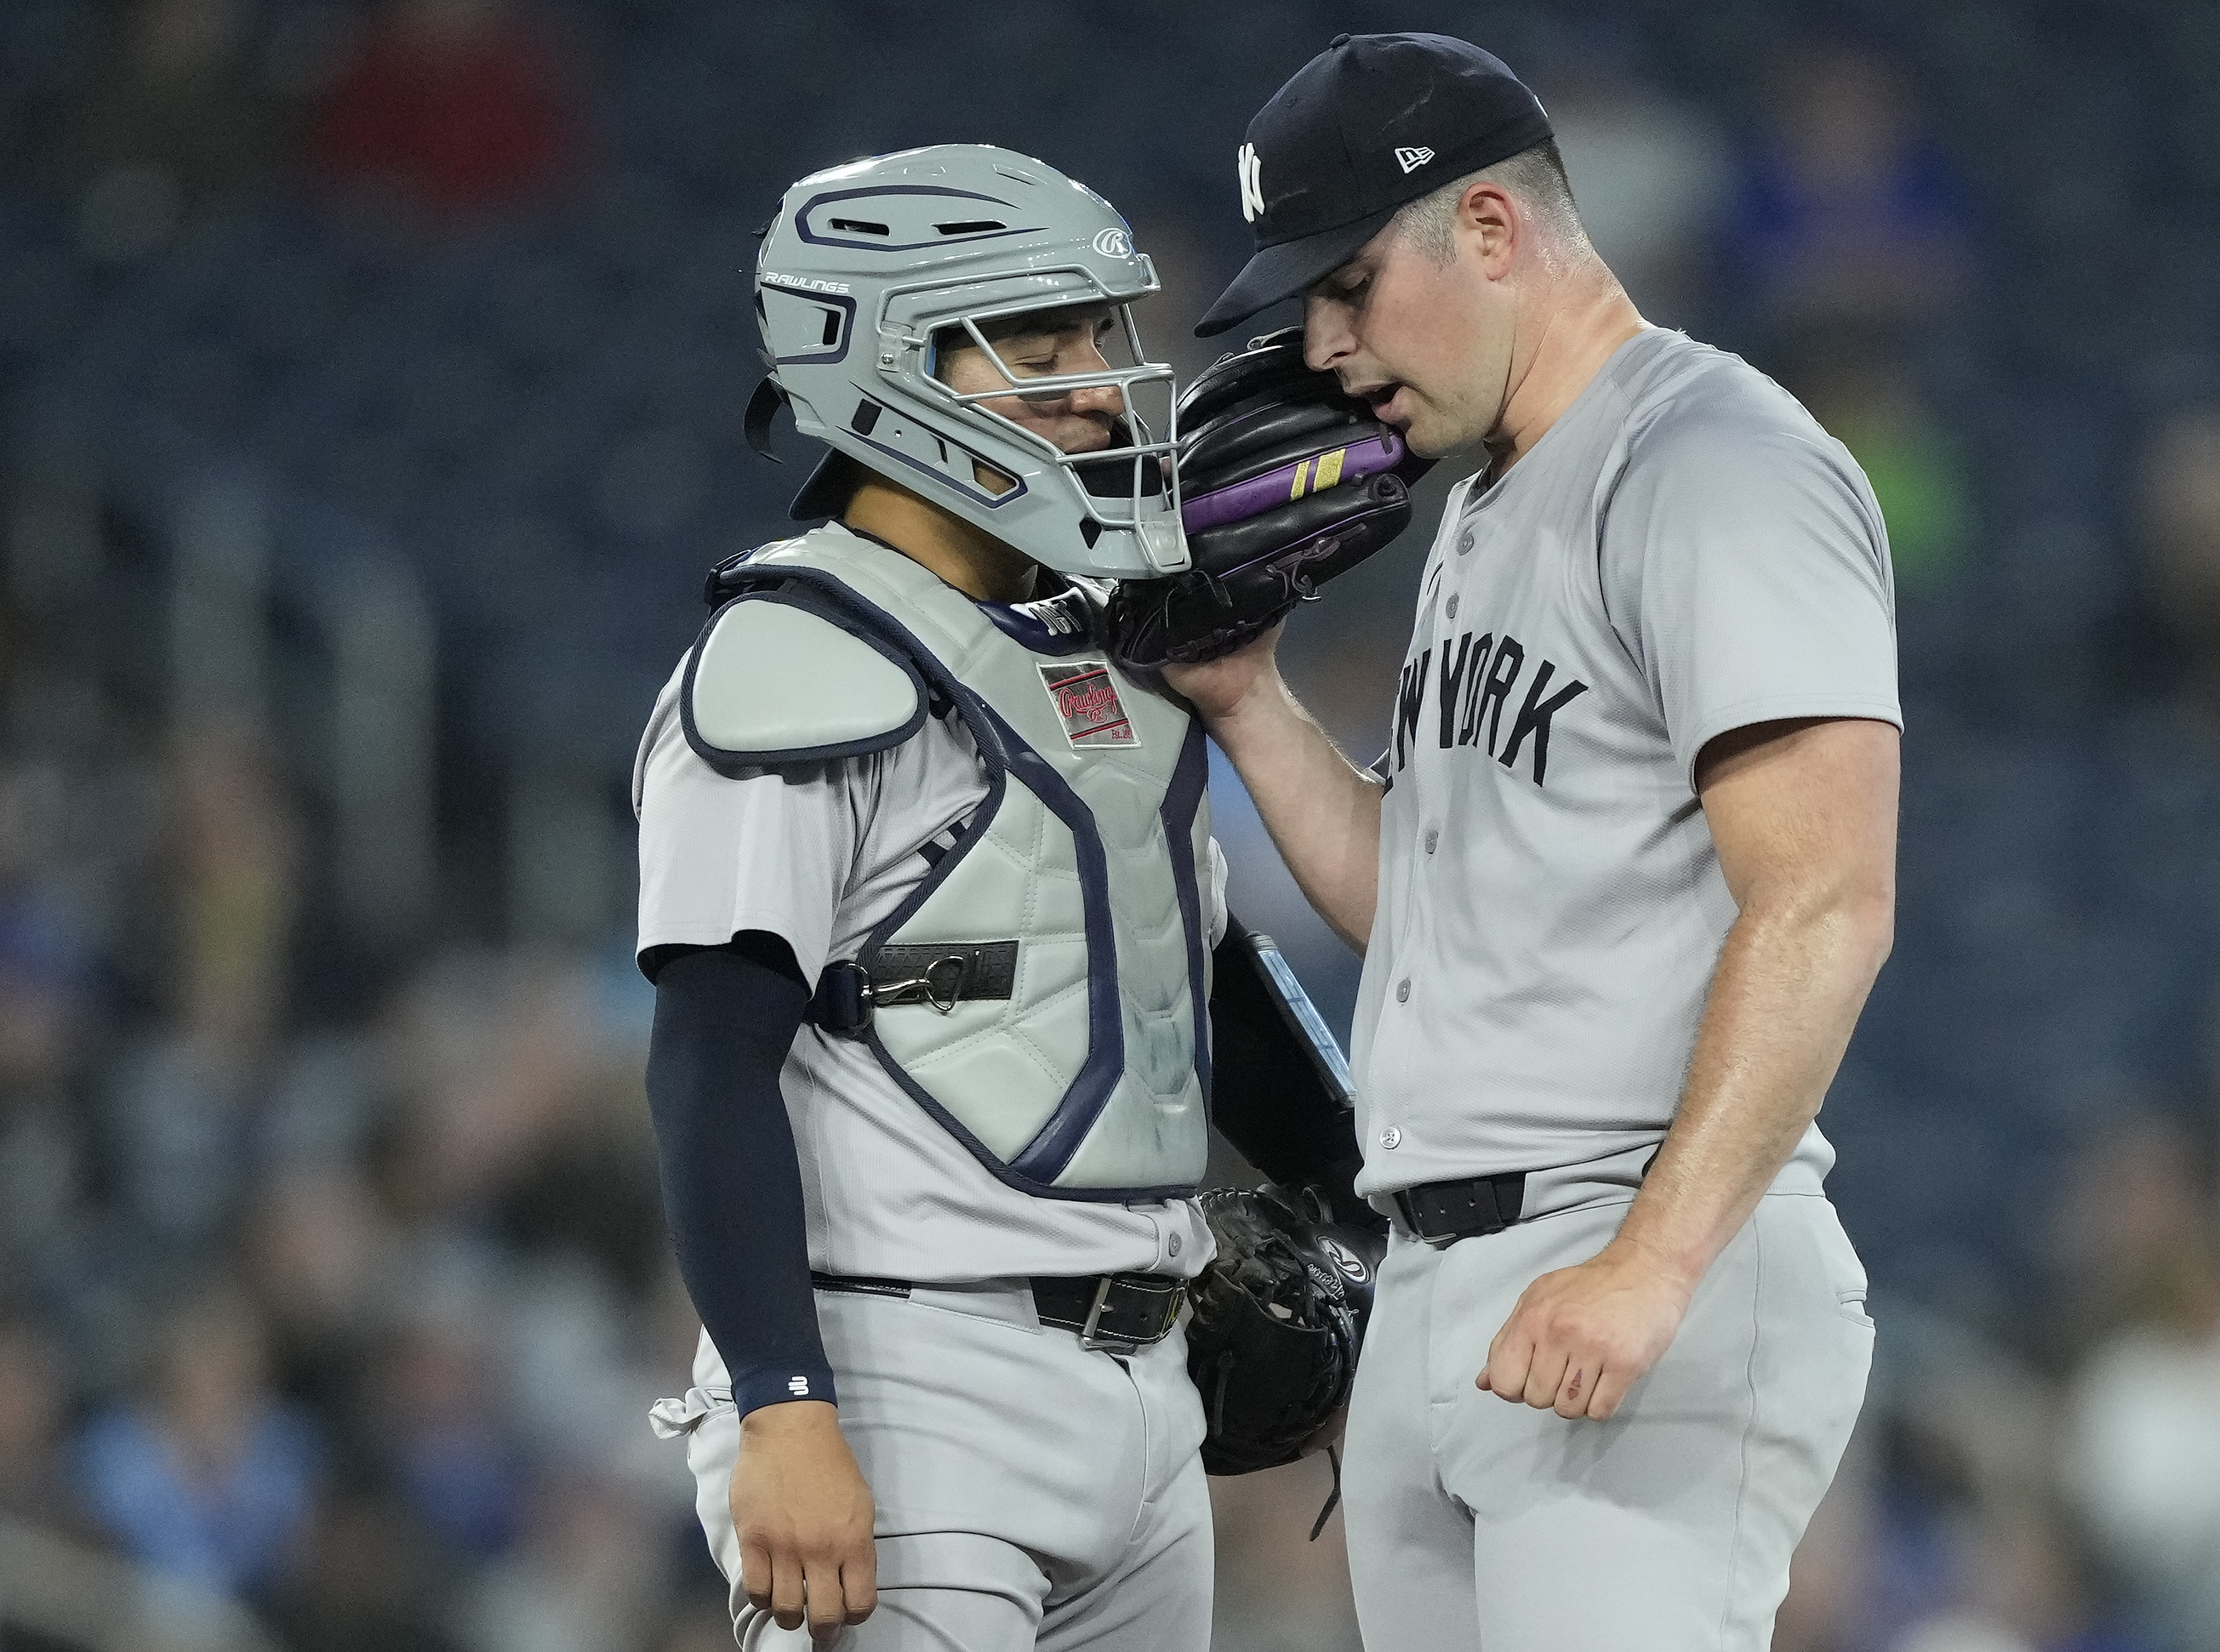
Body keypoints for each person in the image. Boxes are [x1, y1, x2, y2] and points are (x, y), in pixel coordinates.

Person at [1173, 34, 1903, 1652]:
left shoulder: (1716, 461)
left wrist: (1649, 1265)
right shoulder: (1489, 502)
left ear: (1491, 229)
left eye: (1350, 283)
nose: (1321, 343)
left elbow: (1828, 900)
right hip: (1448, 1276)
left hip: (1629, 1247)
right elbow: (1424, 909)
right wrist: (1246, 702)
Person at [635, 145, 1225, 1650]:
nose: (1099, 384)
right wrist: (780, 1402)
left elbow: (1192, 975)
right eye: (1045, 347)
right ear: (891, 367)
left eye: (1098, 337)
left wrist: (1373, 1203)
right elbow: (709, 1060)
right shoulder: (792, 658)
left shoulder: (1098, 648)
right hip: (907, 1381)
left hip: (1151, 1394)